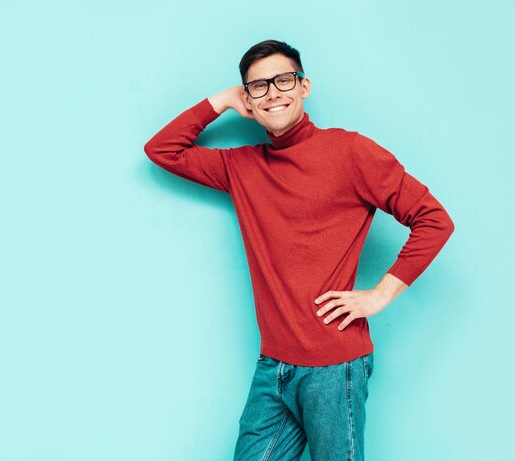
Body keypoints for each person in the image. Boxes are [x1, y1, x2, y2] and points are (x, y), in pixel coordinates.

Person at [143, 39, 455, 461]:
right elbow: (161, 150)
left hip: (333, 369)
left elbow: (434, 219)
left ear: (304, 87)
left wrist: (380, 294)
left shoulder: (350, 152)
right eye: (258, 86)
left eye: (283, 80)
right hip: (272, 366)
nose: (273, 92)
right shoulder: (240, 167)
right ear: (248, 100)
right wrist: (221, 100)